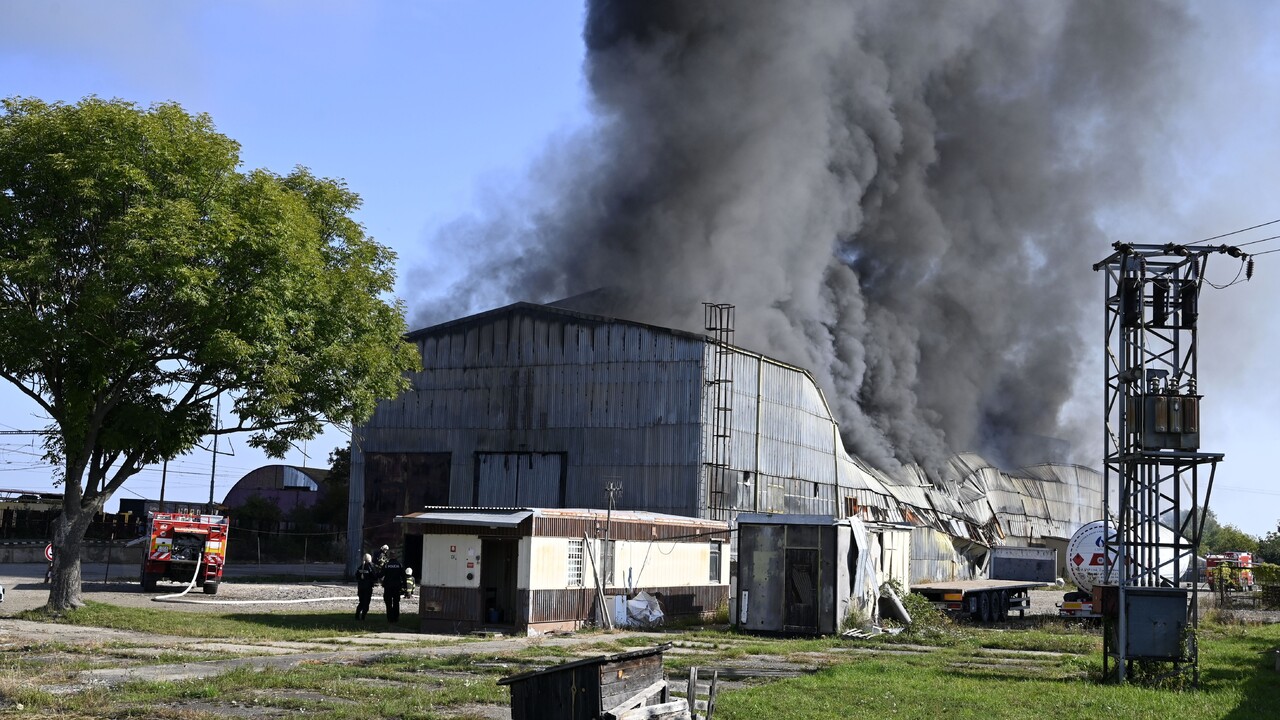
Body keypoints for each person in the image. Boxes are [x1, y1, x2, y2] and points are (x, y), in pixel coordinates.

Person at [381, 554, 405, 622]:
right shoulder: (399, 565)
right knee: (396, 602)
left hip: (388, 586)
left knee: (388, 603)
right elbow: (403, 576)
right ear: (395, 557)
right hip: (397, 586)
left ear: (389, 557)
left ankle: (389, 618)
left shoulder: (386, 565)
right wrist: (404, 585)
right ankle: (396, 617)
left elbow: (381, 574)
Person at [354, 553, 378, 620]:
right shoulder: (370, 567)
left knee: (361, 602)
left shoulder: (360, 567)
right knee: (366, 603)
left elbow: (357, 576)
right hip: (368, 588)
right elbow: (374, 576)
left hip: (360, 587)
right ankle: (363, 617)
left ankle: (357, 615)